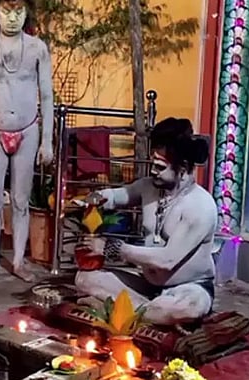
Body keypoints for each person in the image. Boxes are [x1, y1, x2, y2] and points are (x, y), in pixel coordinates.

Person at [75, 118, 216, 326]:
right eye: (152, 164)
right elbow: (120, 195)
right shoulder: (148, 187)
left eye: (160, 167)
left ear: (183, 168)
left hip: (188, 288)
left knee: (188, 307)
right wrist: (96, 198)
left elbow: (167, 261)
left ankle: (125, 310)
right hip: (147, 285)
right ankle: (147, 313)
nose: (152, 171)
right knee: (84, 279)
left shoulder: (200, 206)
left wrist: (113, 248)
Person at [0, 0, 54, 283]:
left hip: (27, 130)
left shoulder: (38, 48)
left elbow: (47, 96)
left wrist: (47, 141)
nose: (12, 18)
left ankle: (18, 261)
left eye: (18, 12)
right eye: (7, 11)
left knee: (20, 200)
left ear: (26, 13)